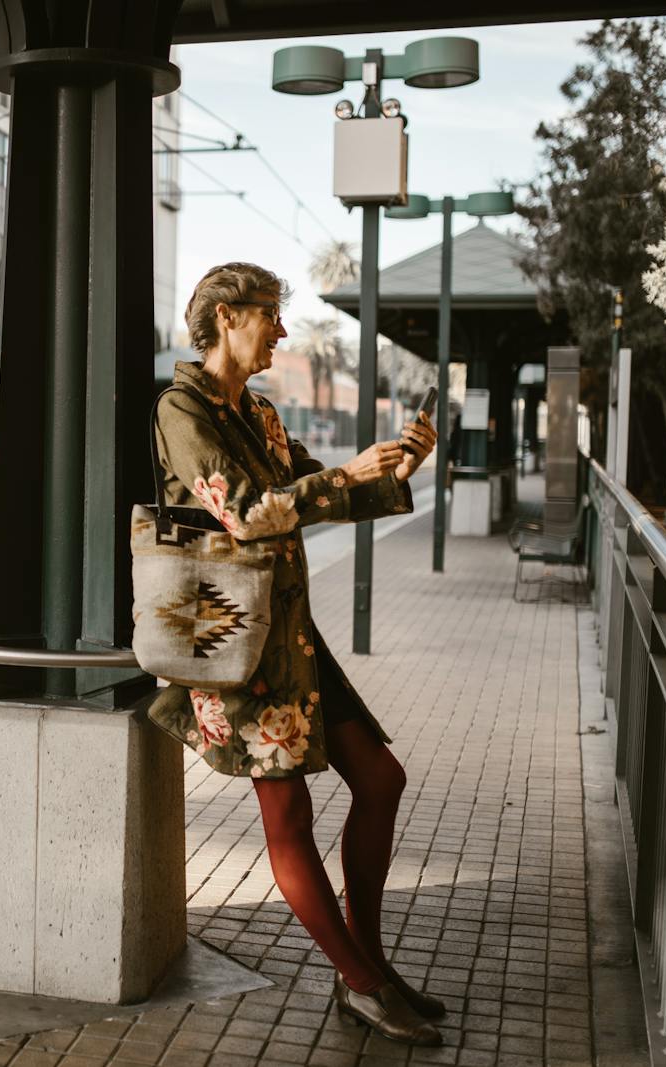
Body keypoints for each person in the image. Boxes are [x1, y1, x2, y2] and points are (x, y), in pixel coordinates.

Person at [147, 262, 443, 1047]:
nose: (280, 329)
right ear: (224, 317)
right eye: (269, 314)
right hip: (235, 644)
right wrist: (340, 476)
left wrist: (397, 467)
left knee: (381, 777)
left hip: (290, 637)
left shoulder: (262, 414)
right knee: (290, 814)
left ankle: (369, 964)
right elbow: (243, 515)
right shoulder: (182, 410)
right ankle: (365, 983)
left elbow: (320, 488)